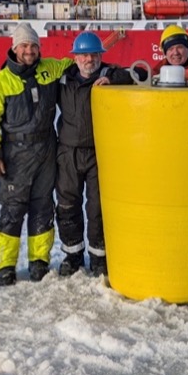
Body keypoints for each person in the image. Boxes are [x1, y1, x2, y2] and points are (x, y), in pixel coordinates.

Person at [0, 22, 71, 286]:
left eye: (33, 46)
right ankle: (6, 266)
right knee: (13, 210)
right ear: (15, 48)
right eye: (24, 46)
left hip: (45, 150)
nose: (29, 51)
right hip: (15, 154)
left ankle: (38, 262)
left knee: (43, 207)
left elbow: (74, 65)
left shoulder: (49, 69)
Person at [55, 31, 135, 277]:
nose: (89, 59)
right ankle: (72, 255)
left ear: (101, 56)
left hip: (100, 154)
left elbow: (136, 75)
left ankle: (99, 257)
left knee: (98, 207)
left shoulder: (108, 74)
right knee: (68, 204)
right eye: (84, 55)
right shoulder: (62, 80)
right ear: (75, 58)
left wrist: (114, 80)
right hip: (68, 152)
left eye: (93, 54)